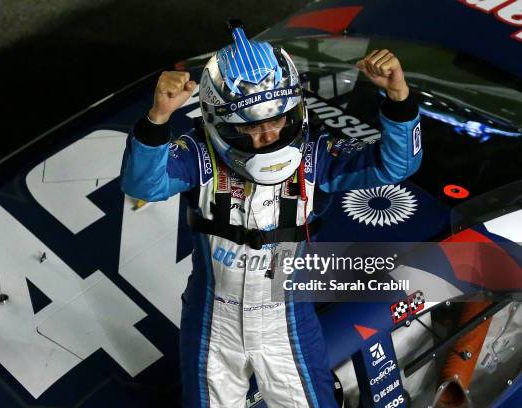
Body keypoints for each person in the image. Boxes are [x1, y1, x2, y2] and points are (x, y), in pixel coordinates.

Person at [121, 21, 421, 408]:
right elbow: (142, 185)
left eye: (276, 120)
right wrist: (157, 118)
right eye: (250, 128)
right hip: (212, 320)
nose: (267, 137)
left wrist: (398, 97)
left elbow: (397, 165)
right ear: (219, 122)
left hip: (288, 319)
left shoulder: (317, 155)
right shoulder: (199, 152)